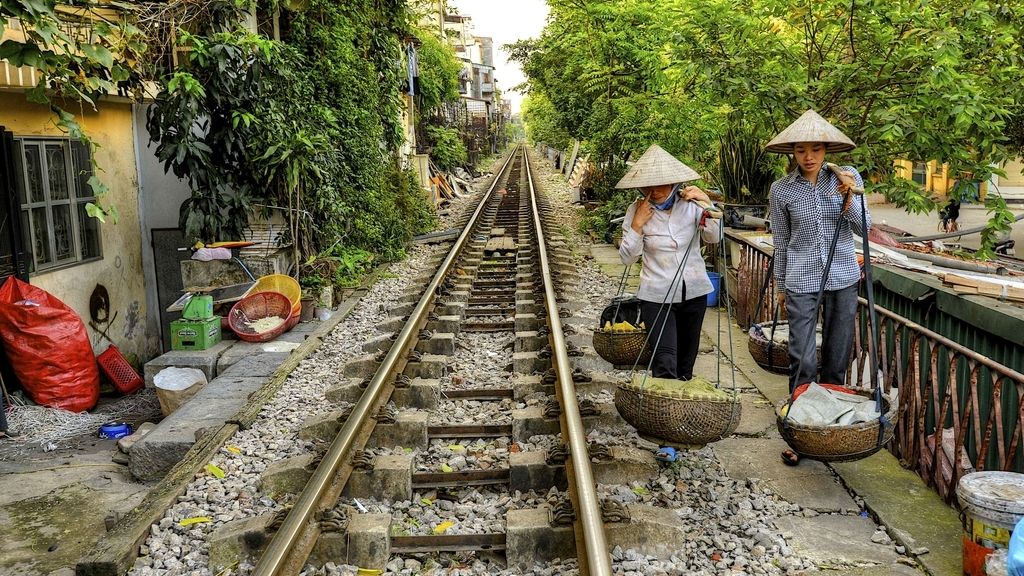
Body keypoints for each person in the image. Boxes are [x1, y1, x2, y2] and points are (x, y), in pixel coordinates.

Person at [765, 109, 871, 466]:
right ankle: (798, 431)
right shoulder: (781, 190)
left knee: (837, 358)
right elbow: (781, 240)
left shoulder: (848, 178)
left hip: (842, 277)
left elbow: (864, 229)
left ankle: (829, 433)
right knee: (802, 358)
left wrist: (849, 195)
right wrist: (781, 285)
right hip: (800, 280)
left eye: (815, 149)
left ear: (826, 150)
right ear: (792, 154)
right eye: (800, 151)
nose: (808, 157)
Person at [617, 144, 721, 382]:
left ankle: (679, 415)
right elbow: (627, 257)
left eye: (661, 183)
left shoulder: (692, 206)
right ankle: (661, 414)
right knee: (665, 361)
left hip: (694, 291)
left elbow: (714, 237)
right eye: (648, 185)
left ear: (674, 183)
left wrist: (707, 203)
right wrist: (637, 225)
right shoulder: (636, 210)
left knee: (686, 362)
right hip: (657, 294)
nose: (654, 190)